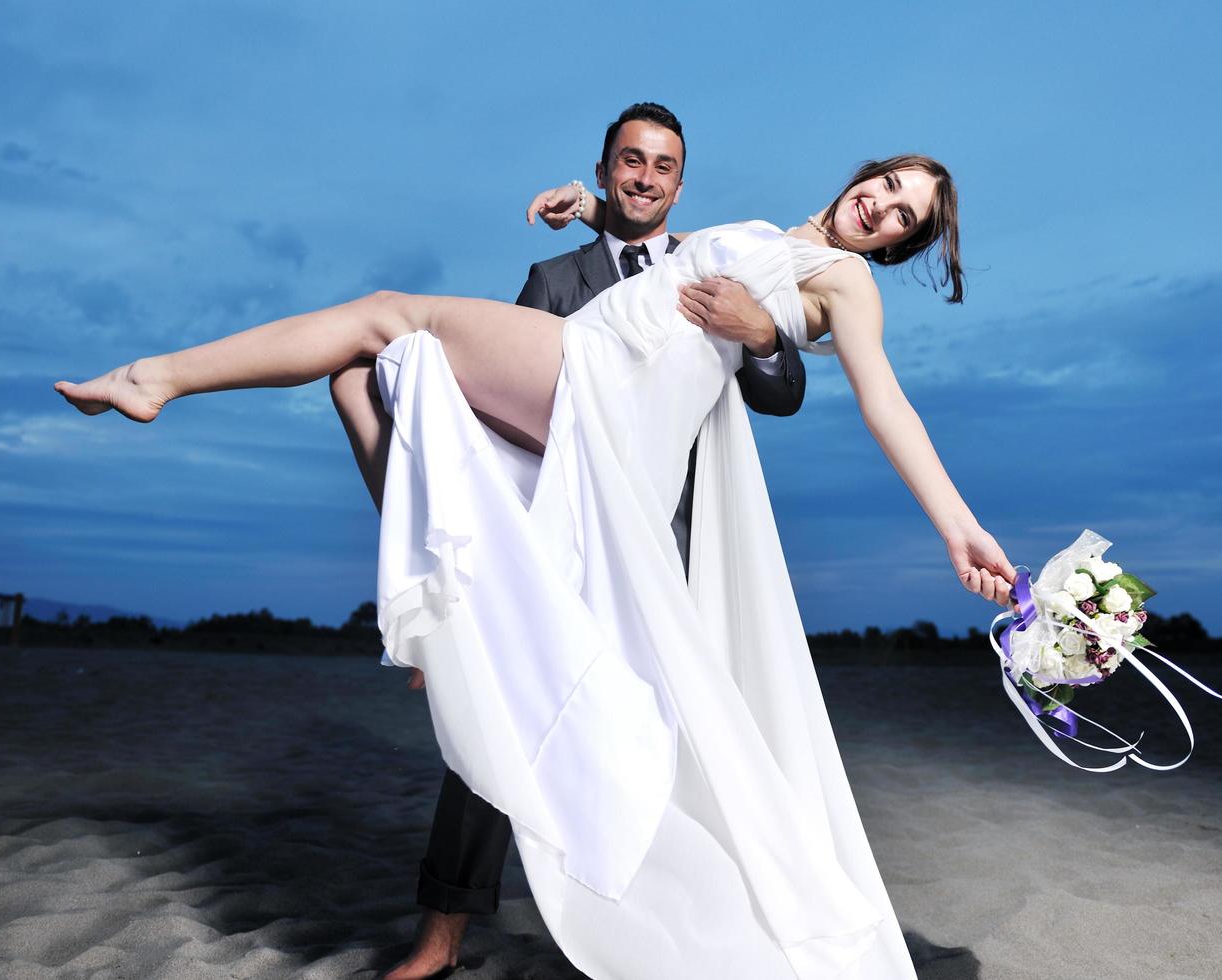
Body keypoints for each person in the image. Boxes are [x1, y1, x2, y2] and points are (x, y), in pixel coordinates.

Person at [54, 152, 1016, 978]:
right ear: (864, 175)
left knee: (392, 314)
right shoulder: (769, 228)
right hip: (599, 370)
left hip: (614, 389)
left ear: (895, 244)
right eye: (886, 187)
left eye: (902, 219)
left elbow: (886, 407)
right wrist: (593, 210)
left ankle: (156, 379)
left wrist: (958, 527)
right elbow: (668, 262)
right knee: (360, 375)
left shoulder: (845, 281)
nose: (882, 210)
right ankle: (442, 592)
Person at [327, 102, 807, 980]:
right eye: (631, 160)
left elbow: (781, 394)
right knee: (498, 731)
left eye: (663, 165)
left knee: (681, 752)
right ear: (604, 168)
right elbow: (489, 423)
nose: (645, 176)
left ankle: (675, 942)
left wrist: (763, 334)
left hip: (669, 560)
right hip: (555, 545)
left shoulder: (719, 273)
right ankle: (438, 942)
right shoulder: (553, 278)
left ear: (680, 183)